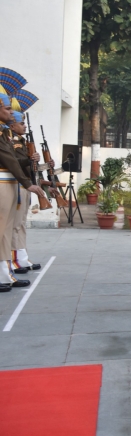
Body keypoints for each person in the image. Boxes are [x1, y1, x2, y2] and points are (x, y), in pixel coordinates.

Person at [0, 90, 46, 292]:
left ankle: (5, 272)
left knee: (8, 230)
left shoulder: (4, 134)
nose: (11, 112)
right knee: (4, 231)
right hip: (5, 183)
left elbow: (16, 161)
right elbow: (10, 161)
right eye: (7, 108)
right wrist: (28, 183)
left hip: (9, 183)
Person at [8, 107, 45, 273]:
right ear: (12, 126)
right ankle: (14, 260)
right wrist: (29, 159)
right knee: (15, 225)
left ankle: (21, 258)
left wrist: (35, 161)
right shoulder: (13, 141)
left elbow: (27, 164)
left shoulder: (22, 141)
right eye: (21, 123)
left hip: (25, 183)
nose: (24, 126)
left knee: (21, 224)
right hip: (16, 183)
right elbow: (14, 162)